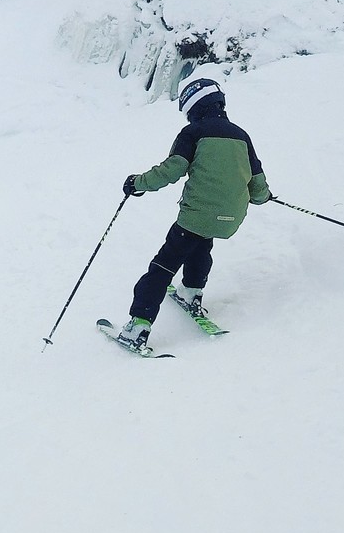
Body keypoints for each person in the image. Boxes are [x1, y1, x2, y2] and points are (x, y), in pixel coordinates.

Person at [112, 72, 271, 349]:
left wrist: (137, 183)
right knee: (201, 243)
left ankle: (138, 327)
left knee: (163, 266)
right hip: (230, 219)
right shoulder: (242, 136)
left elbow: (171, 170)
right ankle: (192, 292)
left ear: (193, 108)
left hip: (196, 215)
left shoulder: (193, 133)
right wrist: (266, 196)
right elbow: (258, 188)